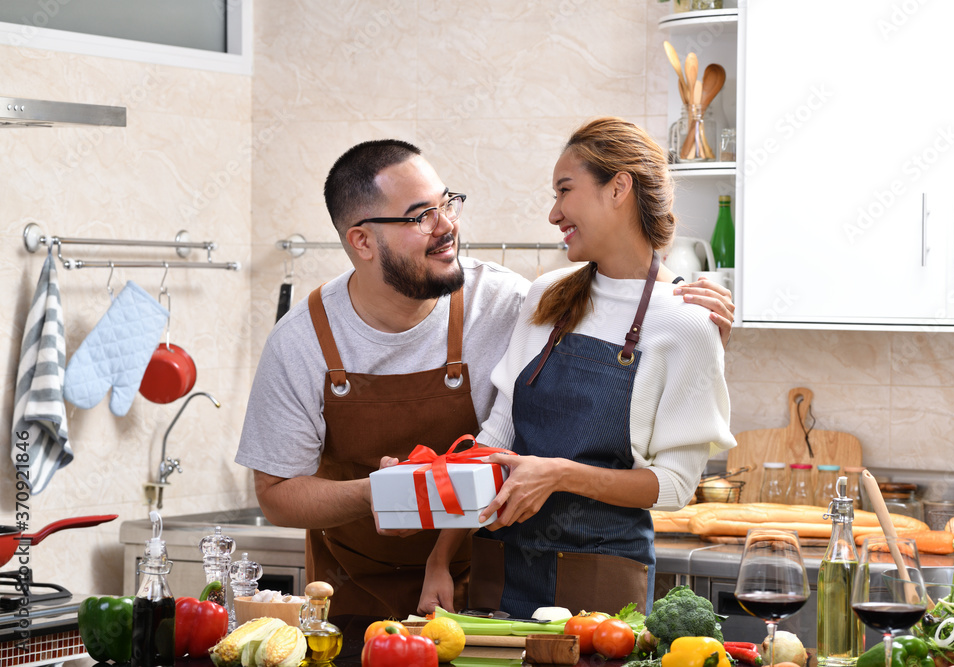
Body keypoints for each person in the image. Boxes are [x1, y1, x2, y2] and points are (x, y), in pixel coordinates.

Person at [236, 137, 735, 619]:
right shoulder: (301, 340)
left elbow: (670, 475)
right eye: (420, 216)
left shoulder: (504, 300)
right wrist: (386, 497)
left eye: (446, 204)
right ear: (362, 241)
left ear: (619, 189)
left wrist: (703, 336)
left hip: (501, 575)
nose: (446, 225)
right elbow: (496, 439)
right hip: (358, 585)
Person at [418, 117, 738, 619]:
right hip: (503, 567)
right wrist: (440, 558)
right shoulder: (548, 294)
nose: (553, 213)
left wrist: (559, 475)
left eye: (564, 191)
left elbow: (674, 487)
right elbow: (498, 436)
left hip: (602, 582)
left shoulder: (686, 322)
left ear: (619, 188)